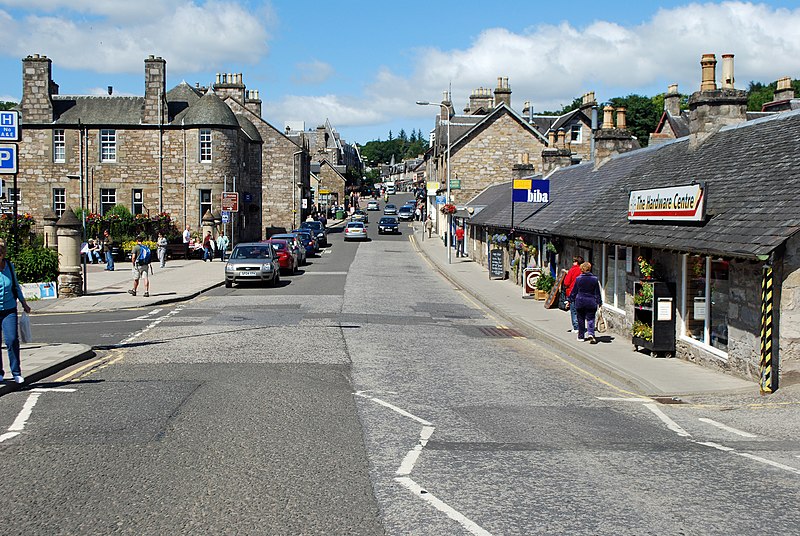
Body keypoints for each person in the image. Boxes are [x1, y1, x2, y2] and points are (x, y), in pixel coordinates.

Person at [0, 241, 31, 384]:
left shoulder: (9, 267)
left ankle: (16, 372)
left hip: (9, 309)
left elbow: (16, 286)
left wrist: (24, 303)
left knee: (12, 340)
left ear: (3, 254)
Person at [568, 261, 603, 344]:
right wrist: (599, 302)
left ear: (582, 269)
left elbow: (574, 291)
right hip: (591, 302)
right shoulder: (594, 279)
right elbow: (597, 293)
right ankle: (591, 334)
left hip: (580, 301)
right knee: (591, 319)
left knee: (580, 319)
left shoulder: (578, 279)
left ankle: (581, 336)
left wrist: (569, 300)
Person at [563, 255, 585, 335]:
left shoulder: (572, 270)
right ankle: (581, 326)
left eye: (574, 261)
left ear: (576, 262)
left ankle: (576, 327)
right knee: (581, 311)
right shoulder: (583, 270)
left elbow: (566, 282)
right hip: (583, 293)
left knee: (574, 310)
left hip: (573, 292)